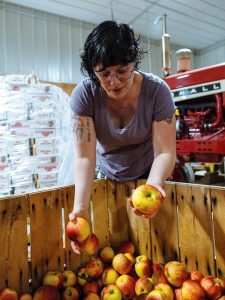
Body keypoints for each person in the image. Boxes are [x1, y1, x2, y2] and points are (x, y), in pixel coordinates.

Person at [69, 20, 176, 253]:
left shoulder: (157, 92)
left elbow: (165, 152)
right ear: (92, 71)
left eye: (121, 71)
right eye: (104, 74)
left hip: (148, 173)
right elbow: (85, 157)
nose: (114, 82)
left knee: (154, 244)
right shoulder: (85, 94)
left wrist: (154, 188)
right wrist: (81, 208)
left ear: (134, 63)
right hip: (106, 174)